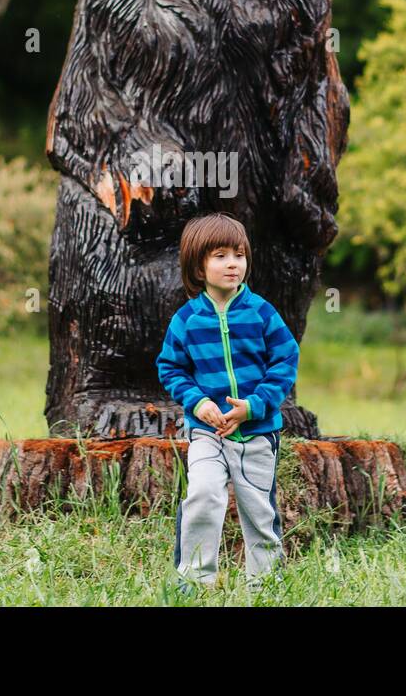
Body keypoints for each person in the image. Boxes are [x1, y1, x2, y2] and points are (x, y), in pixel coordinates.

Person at [156, 212, 300, 595]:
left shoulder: (261, 312)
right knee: (202, 496)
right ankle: (192, 582)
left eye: (238, 254)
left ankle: (265, 587)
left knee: (258, 511)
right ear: (198, 266)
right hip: (207, 433)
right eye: (220, 255)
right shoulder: (186, 320)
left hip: (256, 433)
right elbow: (170, 368)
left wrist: (253, 406)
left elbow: (286, 361)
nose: (233, 263)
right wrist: (196, 400)